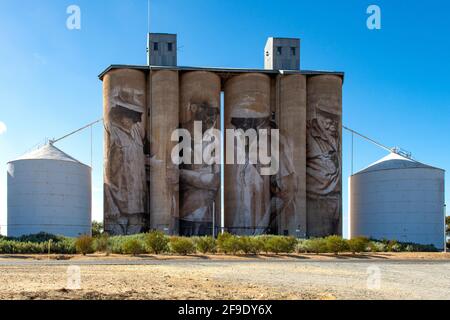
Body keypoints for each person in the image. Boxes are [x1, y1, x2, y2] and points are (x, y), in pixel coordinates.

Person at [104, 87, 147, 235]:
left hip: (138, 204)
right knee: (119, 240)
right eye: (130, 116)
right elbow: (107, 175)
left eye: (136, 117)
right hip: (119, 206)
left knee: (135, 240)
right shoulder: (114, 133)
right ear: (121, 115)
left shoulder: (136, 132)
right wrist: (111, 203)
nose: (133, 121)